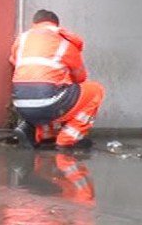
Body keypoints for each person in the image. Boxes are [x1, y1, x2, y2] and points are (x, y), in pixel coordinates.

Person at [9, 9, 104, 150]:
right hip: (47, 102)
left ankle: (42, 134)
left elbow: (15, 64)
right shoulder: (64, 42)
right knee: (96, 90)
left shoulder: (22, 40)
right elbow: (80, 77)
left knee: (51, 92)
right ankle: (67, 140)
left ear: (34, 24)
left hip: (20, 104)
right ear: (56, 25)